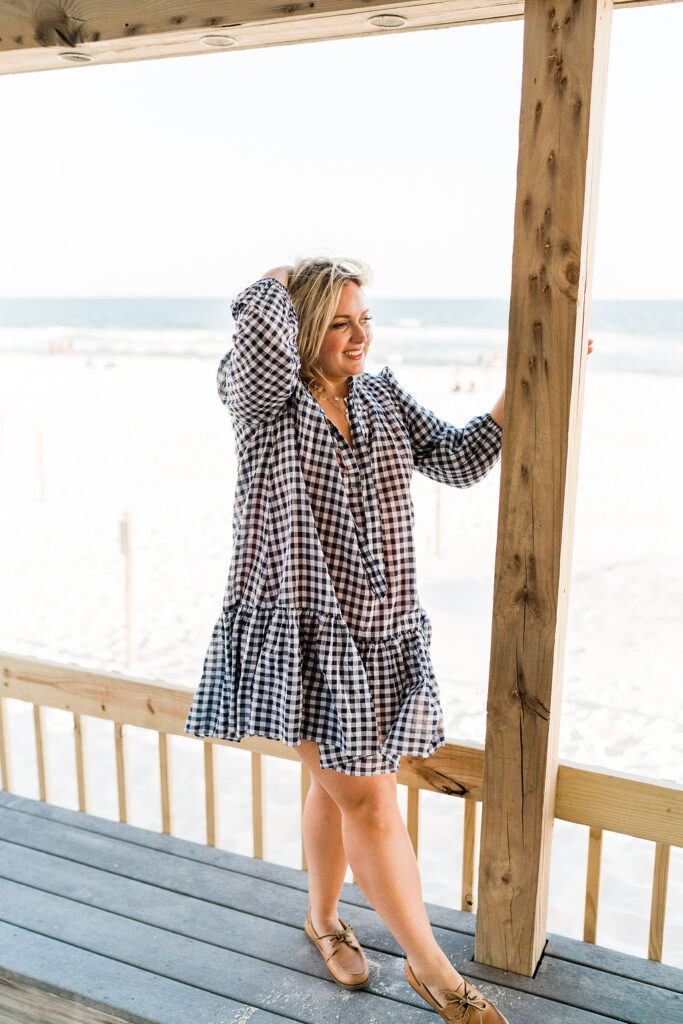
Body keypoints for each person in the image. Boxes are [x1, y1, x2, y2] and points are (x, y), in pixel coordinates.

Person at [184, 254, 592, 1022]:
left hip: (381, 637)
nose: (357, 335)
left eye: (363, 319)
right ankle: (435, 972)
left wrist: (532, 380)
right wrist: (276, 279)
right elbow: (259, 340)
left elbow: (462, 458)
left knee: (333, 787)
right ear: (300, 328)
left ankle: (323, 920)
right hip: (300, 638)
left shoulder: (383, 397)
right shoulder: (263, 401)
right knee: (369, 801)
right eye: (338, 321)